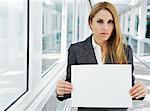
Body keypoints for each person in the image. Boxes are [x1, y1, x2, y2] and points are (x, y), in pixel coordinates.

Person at [56, 1, 147, 111]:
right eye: (100, 21)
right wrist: (60, 92)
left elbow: (129, 86)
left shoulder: (125, 50)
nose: (105, 27)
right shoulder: (76, 50)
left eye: (110, 22)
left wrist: (140, 92)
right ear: (90, 23)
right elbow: (71, 87)